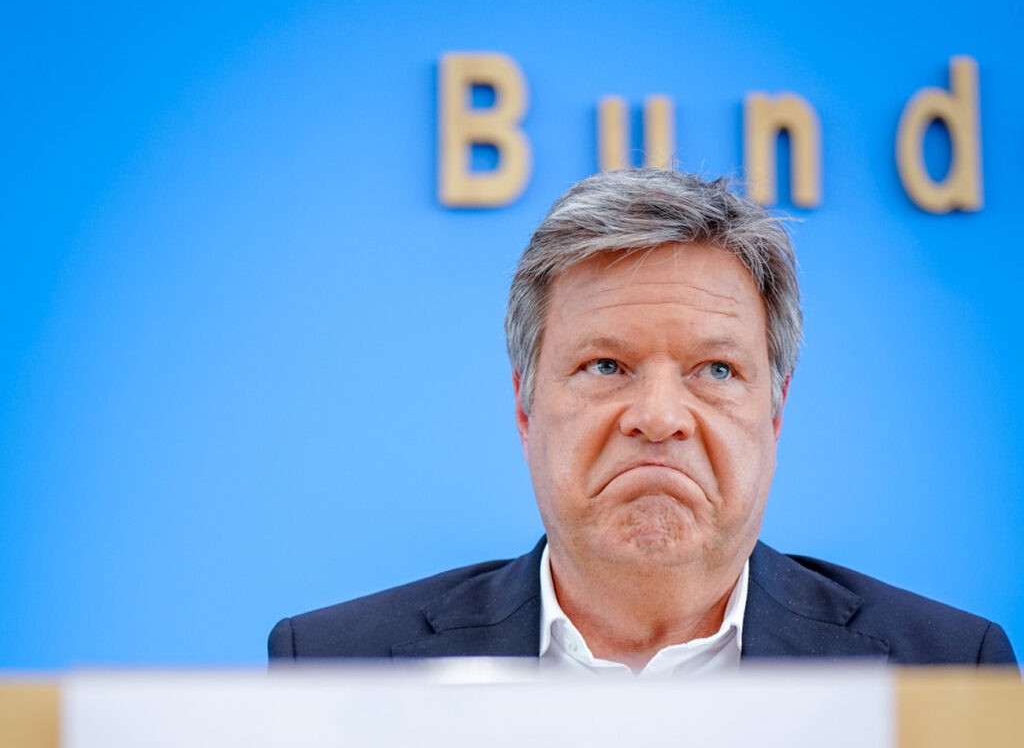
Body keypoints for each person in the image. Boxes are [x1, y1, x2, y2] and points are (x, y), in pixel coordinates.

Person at [269, 169, 1016, 672]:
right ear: (525, 408)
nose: (658, 418)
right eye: (606, 366)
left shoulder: (945, 669)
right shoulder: (338, 665)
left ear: (775, 414)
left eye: (715, 370)